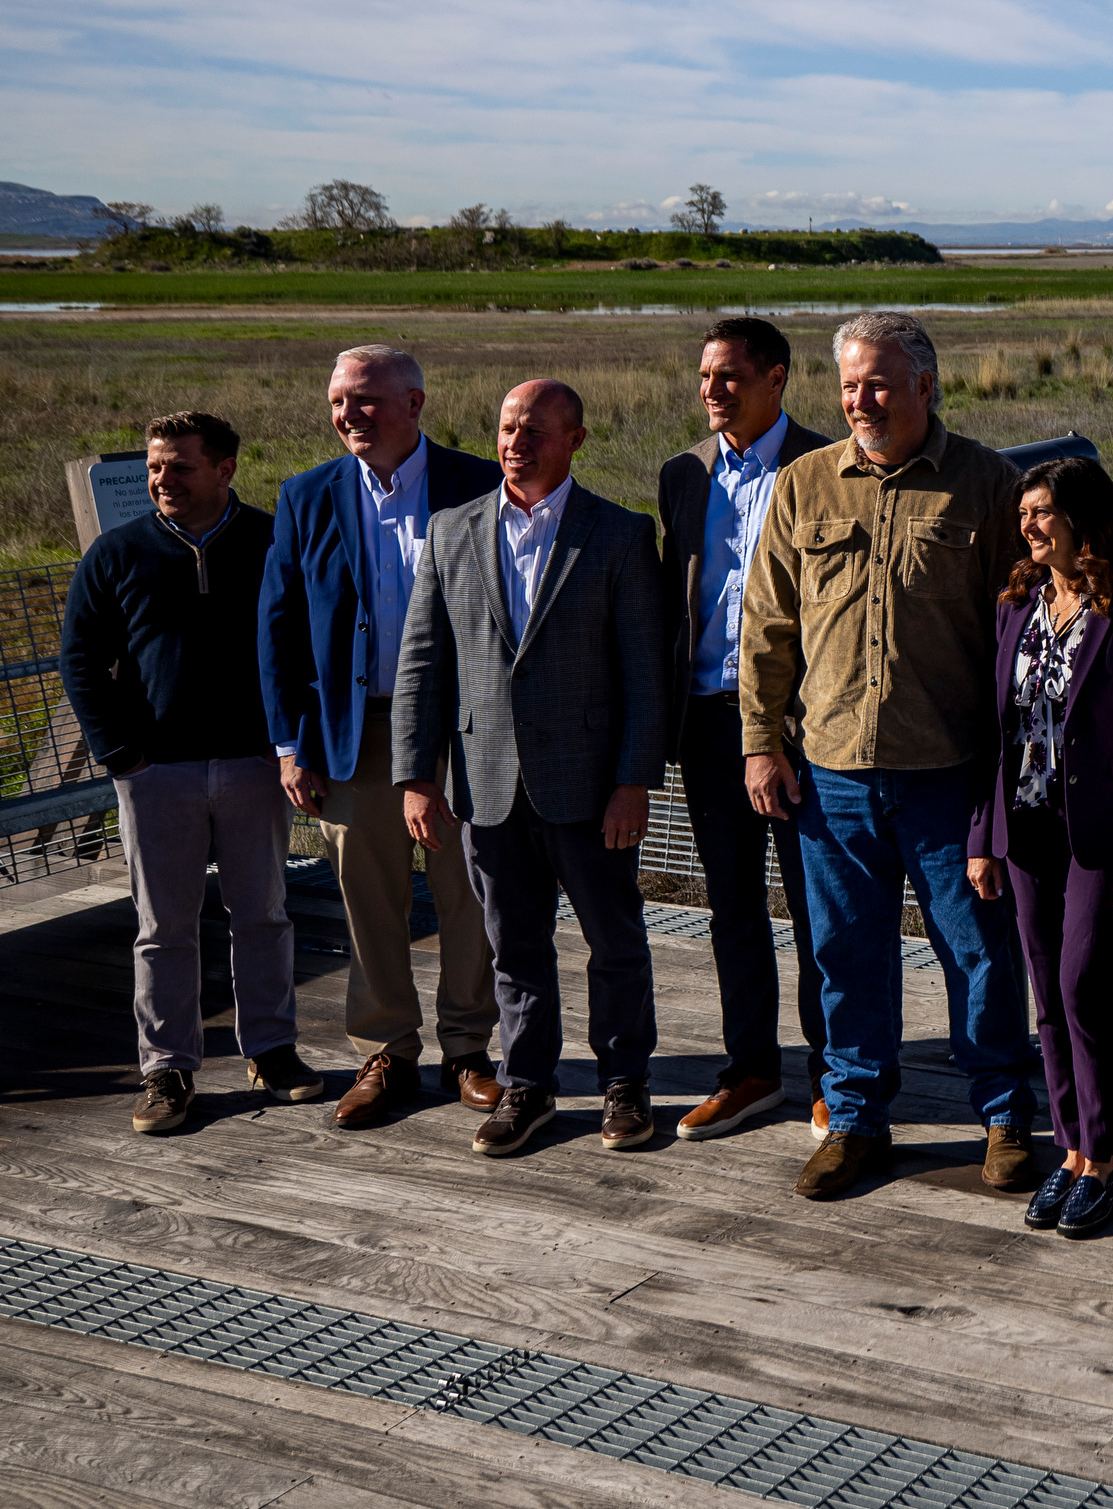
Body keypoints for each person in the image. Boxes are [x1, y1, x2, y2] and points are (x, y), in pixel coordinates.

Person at [739, 310, 1044, 1202]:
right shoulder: (803, 486)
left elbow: (1019, 631)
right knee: (844, 953)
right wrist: (761, 742)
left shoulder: (988, 484)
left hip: (950, 774)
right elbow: (768, 626)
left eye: (877, 382)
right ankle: (857, 1117)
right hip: (830, 771)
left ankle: (1002, 1115)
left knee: (981, 954)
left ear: (924, 385)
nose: (859, 400)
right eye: (847, 385)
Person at [393, 380, 672, 1156]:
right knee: (513, 946)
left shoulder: (617, 534)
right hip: (484, 783)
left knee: (615, 942)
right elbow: (423, 663)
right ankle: (529, 1086)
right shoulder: (450, 530)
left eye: (536, 430)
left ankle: (624, 1085)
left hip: (589, 786)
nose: (516, 442)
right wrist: (417, 774)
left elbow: (645, 673)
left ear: (576, 439)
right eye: (508, 426)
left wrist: (633, 781)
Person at [259, 343, 504, 1129]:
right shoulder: (307, 496)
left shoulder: (476, 481)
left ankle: (467, 1047)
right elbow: (279, 626)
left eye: (364, 399)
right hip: (353, 727)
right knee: (369, 895)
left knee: (468, 885)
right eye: (338, 400)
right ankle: (387, 1051)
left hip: (458, 724)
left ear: (414, 404)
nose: (347, 415)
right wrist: (290, 746)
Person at [61, 411, 322, 1134]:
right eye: (154, 467)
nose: (161, 480)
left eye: (179, 467)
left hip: (253, 765)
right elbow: (80, 661)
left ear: (225, 470)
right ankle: (166, 1069)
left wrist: (293, 744)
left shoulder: (273, 542)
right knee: (162, 927)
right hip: (156, 775)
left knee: (264, 916)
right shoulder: (116, 554)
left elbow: (305, 647)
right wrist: (122, 756)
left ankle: (271, 1050)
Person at [973, 456, 1113, 1241]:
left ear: (1084, 518)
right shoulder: (1018, 601)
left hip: (1099, 837)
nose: (1029, 525)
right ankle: (1069, 1149)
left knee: (1084, 987)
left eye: (1044, 512)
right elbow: (993, 732)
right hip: (1024, 830)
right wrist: (982, 837)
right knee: (1048, 999)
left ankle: (1105, 1157)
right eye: (1024, 512)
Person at [657, 316, 835, 1141]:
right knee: (732, 909)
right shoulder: (682, 475)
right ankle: (750, 1070)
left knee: (818, 912)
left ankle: (835, 1076)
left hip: (803, 728)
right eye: (704, 376)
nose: (711, 391)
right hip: (706, 723)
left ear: (778, 379)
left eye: (729, 376)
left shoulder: (831, 467)